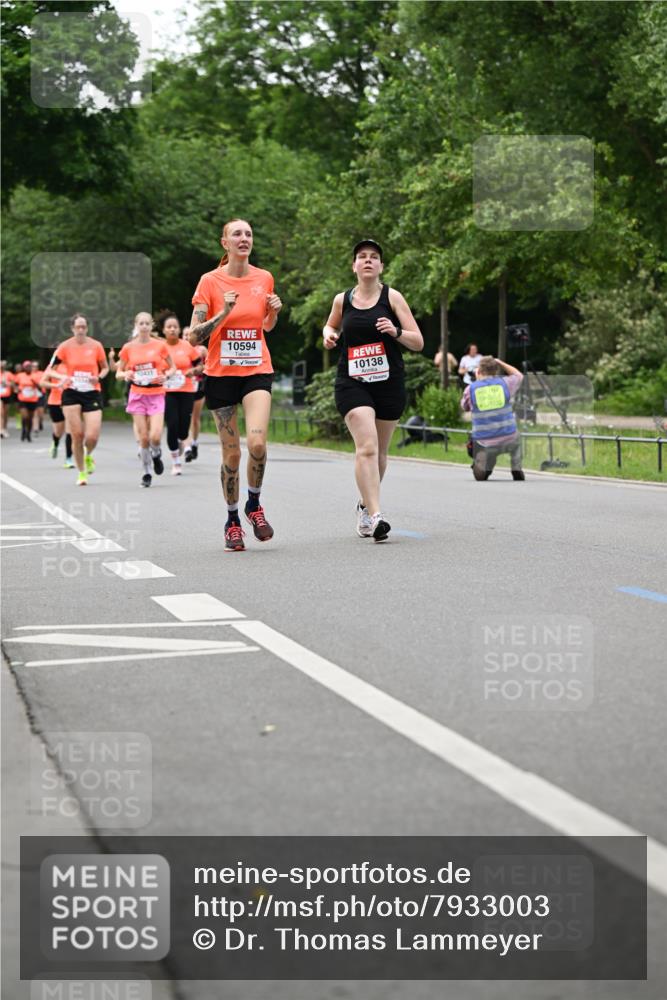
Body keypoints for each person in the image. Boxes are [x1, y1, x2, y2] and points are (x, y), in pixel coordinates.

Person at [188, 218, 282, 551]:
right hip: (221, 375)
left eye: (249, 234)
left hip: (257, 370)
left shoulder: (264, 278)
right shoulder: (209, 282)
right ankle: (231, 521)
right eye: (237, 234)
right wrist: (224, 312)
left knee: (257, 445)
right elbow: (193, 336)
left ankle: (254, 504)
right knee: (232, 454)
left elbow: (265, 328)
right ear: (224, 243)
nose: (244, 239)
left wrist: (274, 313)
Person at [323, 238, 424, 541]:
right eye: (362, 257)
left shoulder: (393, 298)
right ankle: (377, 516)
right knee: (366, 447)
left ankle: (365, 506)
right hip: (352, 382)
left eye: (374, 257)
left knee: (379, 452)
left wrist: (395, 332)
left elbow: (418, 342)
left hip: (389, 382)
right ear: (354, 265)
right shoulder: (343, 299)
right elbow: (330, 326)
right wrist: (329, 335)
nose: (368, 261)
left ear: (381, 266)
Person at [44, 314, 108, 485]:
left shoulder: (96, 346)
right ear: (72, 328)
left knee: (92, 436)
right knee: (77, 435)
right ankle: (81, 473)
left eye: (84, 327)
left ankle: (88, 455)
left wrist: (99, 377)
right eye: (78, 327)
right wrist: (62, 377)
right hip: (71, 393)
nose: (81, 330)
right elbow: (50, 370)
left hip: (92, 392)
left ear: (87, 328)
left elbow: (105, 368)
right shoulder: (65, 347)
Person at [116, 311, 175, 487]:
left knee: (155, 436)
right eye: (140, 323)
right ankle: (146, 472)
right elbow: (118, 372)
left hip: (156, 393)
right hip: (138, 394)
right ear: (136, 325)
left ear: (152, 326)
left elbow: (173, 368)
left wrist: (167, 376)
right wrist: (125, 373)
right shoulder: (128, 348)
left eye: (147, 323)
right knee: (143, 437)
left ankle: (156, 454)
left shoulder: (160, 346)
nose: (143, 326)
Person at [461, 355, 525, 481]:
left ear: (478, 371)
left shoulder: (471, 389)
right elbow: (519, 376)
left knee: (478, 447)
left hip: (484, 440)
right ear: (496, 370)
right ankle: (516, 466)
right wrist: (500, 362)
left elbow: (464, 406)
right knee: (517, 441)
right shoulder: (505, 384)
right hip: (508, 437)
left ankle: (483, 464)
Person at [160, 313, 203, 475]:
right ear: (164, 330)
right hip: (167, 391)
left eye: (175, 327)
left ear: (179, 329)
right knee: (172, 424)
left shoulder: (187, 346)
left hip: (186, 390)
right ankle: (175, 461)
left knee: (184, 427)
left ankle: (181, 441)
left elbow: (201, 366)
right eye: (169, 327)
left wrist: (194, 370)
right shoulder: (160, 347)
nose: (172, 329)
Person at [40, 364, 74, 465]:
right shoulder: (54, 365)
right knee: (58, 431)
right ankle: (55, 443)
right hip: (55, 402)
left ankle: (68, 459)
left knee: (70, 430)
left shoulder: (75, 363)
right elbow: (42, 382)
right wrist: (56, 385)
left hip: (71, 401)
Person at [183, 326, 207, 463]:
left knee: (195, 419)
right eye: (185, 335)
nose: (187, 337)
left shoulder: (202, 350)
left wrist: (198, 371)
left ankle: (195, 442)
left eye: (189, 335)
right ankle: (187, 447)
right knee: (185, 417)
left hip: (198, 387)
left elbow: (210, 365)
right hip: (183, 387)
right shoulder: (178, 350)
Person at [14, 360, 43, 442]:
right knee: (25, 416)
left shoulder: (35, 376)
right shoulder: (20, 375)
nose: (28, 368)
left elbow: (40, 388)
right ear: (24, 368)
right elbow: (14, 384)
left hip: (33, 400)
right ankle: (23, 430)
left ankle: (28, 433)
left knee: (30, 418)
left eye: (30, 366)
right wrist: (16, 389)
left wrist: (34, 383)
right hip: (22, 399)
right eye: (27, 367)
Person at [1, 361, 15, 438]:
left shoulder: (8, 374)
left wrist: (7, 383)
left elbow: (14, 384)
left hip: (7, 395)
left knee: (5, 414)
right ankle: (1, 429)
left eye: (3, 366)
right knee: (1, 413)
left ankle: (5, 428)